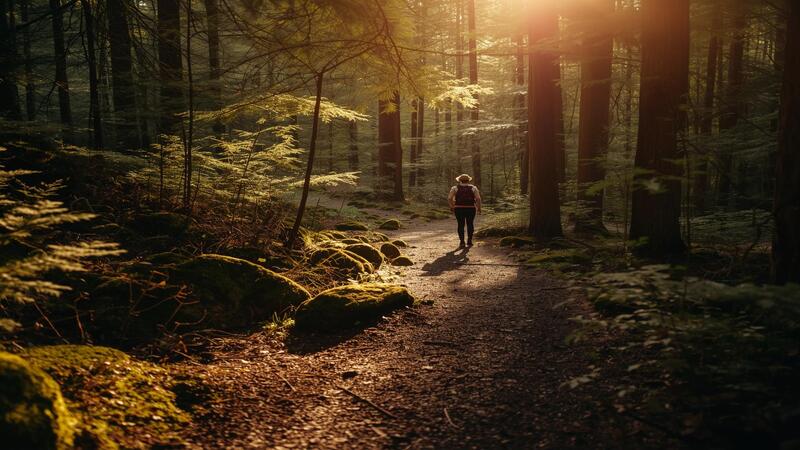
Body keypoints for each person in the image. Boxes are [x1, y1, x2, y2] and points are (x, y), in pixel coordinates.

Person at [448, 174, 482, 248]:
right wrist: (479, 208)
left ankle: (462, 242)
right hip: (471, 208)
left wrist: (452, 206)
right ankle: (469, 241)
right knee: (470, 224)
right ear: (468, 180)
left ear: (460, 180)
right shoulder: (473, 188)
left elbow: (450, 198)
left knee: (460, 224)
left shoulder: (455, 188)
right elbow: (478, 199)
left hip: (459, 208)